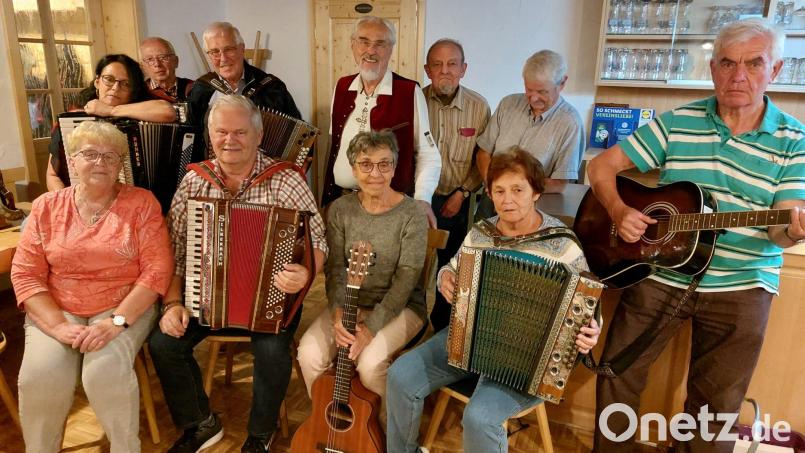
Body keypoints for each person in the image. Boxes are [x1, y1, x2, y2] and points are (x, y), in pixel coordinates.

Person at [589, 19, 805, 453]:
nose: (737, 75)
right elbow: (600, 167)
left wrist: (793, 230)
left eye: (753, 63)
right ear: (712, 68)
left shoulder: (794, 140)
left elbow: (781, 230)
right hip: (661, 272)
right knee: (616, 374)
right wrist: (619, 209)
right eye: (727, 63)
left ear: (775, 70)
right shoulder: (679, 121)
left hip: (743, 283)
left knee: (717, 409)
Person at [386, 148, 601, 453]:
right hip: (468, 339)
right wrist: (444, 277)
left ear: (536, 192)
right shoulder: (481, 232)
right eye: (499, 190)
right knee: (400, 376)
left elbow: (588, 313)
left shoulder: (563, 245)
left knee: (480, 417)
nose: (507, 199)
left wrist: (592, 331)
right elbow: (452, 269)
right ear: (488, 192)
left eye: (518, 190)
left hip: (526, 359)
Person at [149, 94, 327, 453]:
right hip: (205, 296)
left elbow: (318, 239)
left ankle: (261, 433)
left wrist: (306, 271)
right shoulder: (194, 180)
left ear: (258, 136)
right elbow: (174, 248)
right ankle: (200, 423)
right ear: (210, 134)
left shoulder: (286, 179)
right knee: (163, 344)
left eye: (240, 132)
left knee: (273, 351)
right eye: (221, 132)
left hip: (269, 297)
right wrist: (171, 304)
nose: (229, 140)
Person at [11, 120, 173, 453]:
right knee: (39, 377)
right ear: (72, 161)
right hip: (58, 308)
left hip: (123, 305)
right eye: (90, 154)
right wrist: (57, 326)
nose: (100, 162)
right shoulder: (46, 207)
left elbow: (157, 270)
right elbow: (26, 274)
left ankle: (125, 448)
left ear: (120, 166)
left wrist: (115, 322)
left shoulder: (141, 203)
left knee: (103, 372)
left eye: (111, 157)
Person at [297, 130, 427, 407]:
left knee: (369, 366)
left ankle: (383, 433)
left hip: (401, 308)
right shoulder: (340, 210)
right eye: (365, 164)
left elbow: (407, 279)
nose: (375, 173)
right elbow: (334, 270)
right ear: (353, 169)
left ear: (394, 167)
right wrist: (337, 313)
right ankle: (330, 428)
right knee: (309, 355)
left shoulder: (412, 214)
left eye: (384, 164)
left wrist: (370, 327)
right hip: (349, 303)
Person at [322, 16, 441, 227]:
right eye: (364, 41)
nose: (371, 50)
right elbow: (335, 147)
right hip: (341, 204)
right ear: (353, 45)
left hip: (389, 210)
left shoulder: (408, 92)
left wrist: (423, 198)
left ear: (391, 49)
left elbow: (428, 153)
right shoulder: (341, 87)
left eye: (380, 44)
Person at [422, 38, 490, 331]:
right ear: (427, 70)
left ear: (463, 69)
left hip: (456, 201)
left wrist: (462, 194)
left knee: (450, 266)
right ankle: (408, 325)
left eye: (452, 64)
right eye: (437, 64)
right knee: (414, 265)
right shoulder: (416, 102)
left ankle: (442, 327)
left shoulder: (479, 107)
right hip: (419, 199)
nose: (445, 71)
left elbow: (482, 159)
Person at [46, 54, 176, 191]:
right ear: (97, 82)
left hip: (135, 203)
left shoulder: (140, 112)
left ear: (133, 91)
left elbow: (168, 112)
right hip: (82, 202)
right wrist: (67, 204)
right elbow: (52, 175)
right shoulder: (72, 121)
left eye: (126, 84)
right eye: (109, 79)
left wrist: (110, 111)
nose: (115, 88)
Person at [476, 49, 584, 196]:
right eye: (529, 89)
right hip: (491, 200)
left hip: (533, 209)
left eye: (542, 92)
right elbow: (483, 153)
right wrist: (491, 184)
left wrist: (512, 191)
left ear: (562, 83)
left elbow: (559, 184)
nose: (533, 98)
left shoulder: (570, 123)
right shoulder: (508, 104)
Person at [187, 22, 301, 159]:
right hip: (214, 173)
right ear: (209, 56)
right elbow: (190, 137)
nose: (223, 58)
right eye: (215, 52)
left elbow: (298, 134)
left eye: (229, 49)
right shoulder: (202, 88)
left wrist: (299, 158)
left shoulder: (271, 87)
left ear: (242, 49)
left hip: (264, 174)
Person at [139, 36, 194, 104]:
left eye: (163, 57)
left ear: (176, 61)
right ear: (143, 66)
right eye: (150, 59)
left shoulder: (193, 88)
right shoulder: (139, 94)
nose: (157, 64)